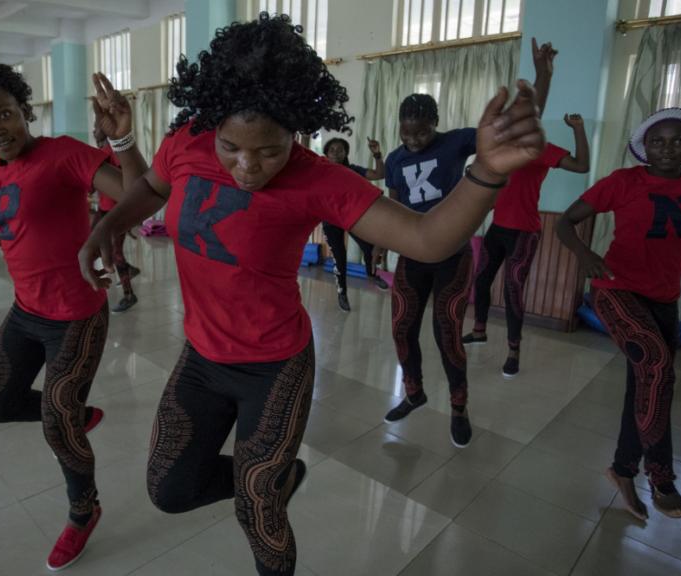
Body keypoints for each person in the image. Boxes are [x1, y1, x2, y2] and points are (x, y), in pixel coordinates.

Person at [78, 13, 545, 575]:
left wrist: (488, 172)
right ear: (214, 125)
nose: (248, 165)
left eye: (269, 150)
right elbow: (151, 189)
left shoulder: (318, 179)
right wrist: (106, 226)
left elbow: (425, 239)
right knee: (170, 489)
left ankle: (269, 485)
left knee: (259, 513)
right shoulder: (186, 142)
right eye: (231, 146)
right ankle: (279, 474)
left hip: (274, 365)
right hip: (201, 358)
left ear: (296, 130)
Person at [0, 63, 148, 571]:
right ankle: (76, 416)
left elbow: (138, 198)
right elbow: (10, 227)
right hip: (27, 310)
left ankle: (83, 511)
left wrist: (124, 140)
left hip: (76, 315)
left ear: (26, 112)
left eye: (5, 114)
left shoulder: (63, 154)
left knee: (56, 424)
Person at [556, 108, 681, 520]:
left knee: (646, 384)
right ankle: (662, 482)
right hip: (615, 288)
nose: (668, 149)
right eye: (658, 141)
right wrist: (585, 255)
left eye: (679, 141)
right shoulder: (624, 181)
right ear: (644, 147)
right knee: (657, 369)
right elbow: (565, 222)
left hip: (664, 299)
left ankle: (622, 470)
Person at [382, 40, 557, 448]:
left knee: (447, 332)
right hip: (410, 252)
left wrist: (542, 76)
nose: (413, 139)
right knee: (401, 327)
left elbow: (514, 129)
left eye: (421, 131)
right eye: (406, 132)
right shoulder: (394, 158)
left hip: (452, 254)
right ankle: (414, 392)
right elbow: (392, 202)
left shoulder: (457, 141)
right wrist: (380, 244)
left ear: (436, 124)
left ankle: (459, 408)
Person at [464, 44, 588, 377]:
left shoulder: (540, 149)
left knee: (513, 290)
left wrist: (578, 128)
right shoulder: (499, 147)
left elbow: (581, 165)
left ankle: (514, 352)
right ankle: (479, 331)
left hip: (525, 232)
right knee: (482, 279)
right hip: (498, 228)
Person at [321, 136, 389, 311]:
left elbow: (379, 174)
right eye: (332, 150)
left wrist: (377, 155)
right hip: (330, 221)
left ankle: (372, 276)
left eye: (340, 150)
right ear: (326, 154)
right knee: (339, 258)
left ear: (345, 153)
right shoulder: (321, 171)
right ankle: (342, 293)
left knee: (369, 246)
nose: (336, 152)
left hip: (350, 217)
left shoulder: (352, 170)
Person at [91, 119, 141, 313]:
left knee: (115, 253)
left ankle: (129, 295)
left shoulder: (113, 154)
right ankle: (131, 270)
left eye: (97, 127)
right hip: (103, 207)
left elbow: (130, 182)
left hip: (117, 211)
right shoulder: (98, 154)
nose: (94, 130)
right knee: (92, 237)